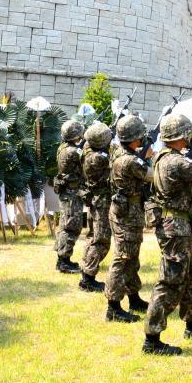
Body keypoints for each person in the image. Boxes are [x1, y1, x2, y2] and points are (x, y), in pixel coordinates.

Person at [142, 113, 192, 356]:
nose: (190, 137)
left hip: (176, 226)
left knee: (190, 275)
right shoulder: (176, 162)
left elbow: (186, 166)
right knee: (170, 281)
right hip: (175, 228)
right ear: (181, 135)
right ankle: (152, 338)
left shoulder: (165, 157)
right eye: (188, 134)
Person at [104, 115, 153, 323]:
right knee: (123, 258)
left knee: (131, 256)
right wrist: (151, 155)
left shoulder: (119, 152)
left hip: (127, 211)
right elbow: (153, 175)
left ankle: (133, 297)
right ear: (134, 139)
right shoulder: (130, 161)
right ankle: (113, 307)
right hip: (127, 213)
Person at [78, 121, 113, 293]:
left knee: (93, 236)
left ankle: (86, 272)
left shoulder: (88, 150)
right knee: (101, 240)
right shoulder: (98, 158)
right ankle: (88, 279)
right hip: (101, 201)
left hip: (96, 199)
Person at [54, 119, 85, 273]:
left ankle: (62, 257)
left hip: (66, 191)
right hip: (72, 192)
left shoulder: (62, 148)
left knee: (65, 224)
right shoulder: (73, 151)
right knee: (71, 226)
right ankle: (63, 261)